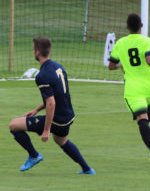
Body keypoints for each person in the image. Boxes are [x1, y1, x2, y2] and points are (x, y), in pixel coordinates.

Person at [9, 37, 95, 174]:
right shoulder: (59, 67)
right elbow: (59, 95)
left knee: (14, 125)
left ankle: (34, 155)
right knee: (61, 141)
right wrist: (36, 109)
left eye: (33, 49)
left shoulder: (42, 76)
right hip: (68, 116)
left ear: (37, 52)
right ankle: (87, 169)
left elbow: (51, 103)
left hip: (57, 119)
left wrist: (46, 129)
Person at [108, 14, 150, 169]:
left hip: (133, 88)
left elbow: (111, 66)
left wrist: (122, 64)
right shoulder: (148, 41)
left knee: (142, 118)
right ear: (141, 25)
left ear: (127, 27)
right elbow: (149, 59)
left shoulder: (121, 43)